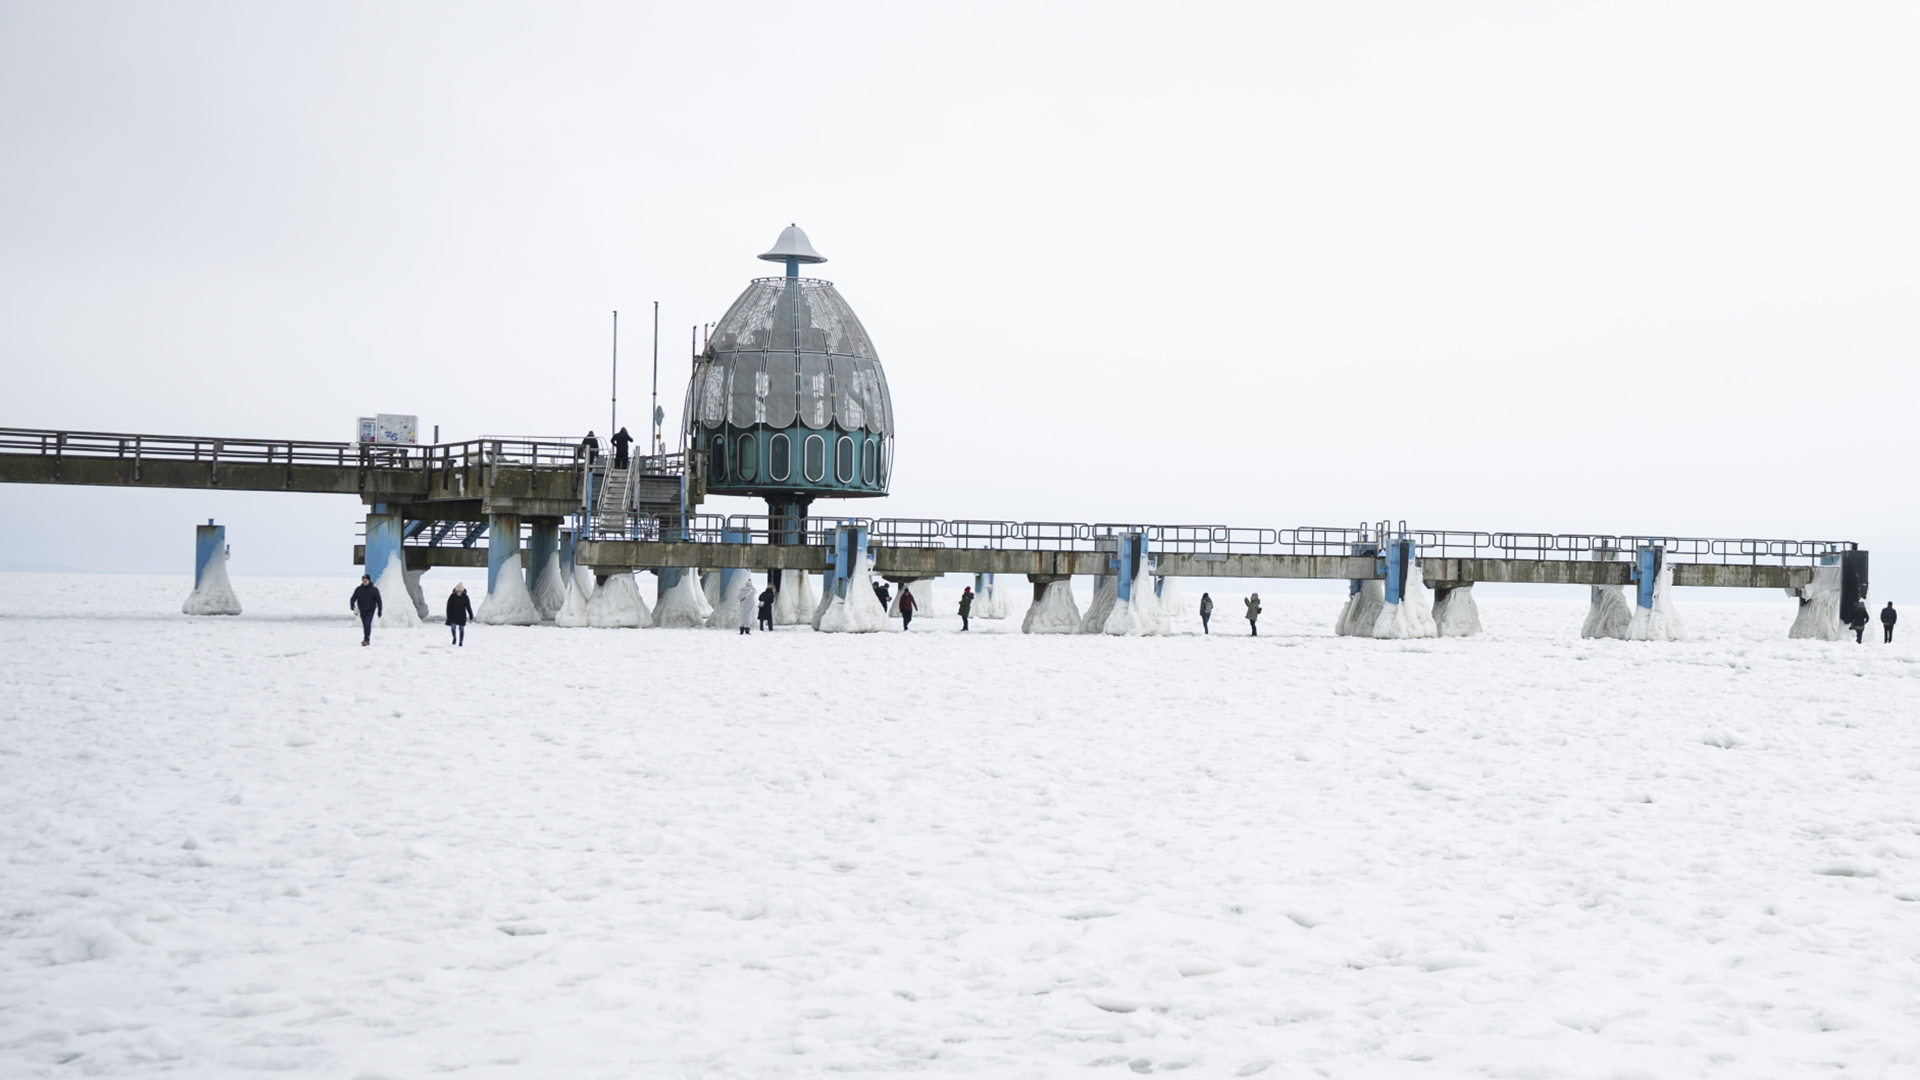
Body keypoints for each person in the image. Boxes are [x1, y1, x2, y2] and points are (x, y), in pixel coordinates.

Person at [350, 574, 382, 646]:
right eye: (363, 580)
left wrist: (380, 610)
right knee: (365, 625)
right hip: (362, 609)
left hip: (370, 610)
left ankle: (366, 640)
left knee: (367, 624)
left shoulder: (374, 590)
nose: (364, 581)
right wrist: (352, 604)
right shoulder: (359, 589)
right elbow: (353, 598)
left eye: (366, 580)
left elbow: (379, 600)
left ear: (369, 580)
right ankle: (366, 639)